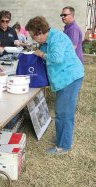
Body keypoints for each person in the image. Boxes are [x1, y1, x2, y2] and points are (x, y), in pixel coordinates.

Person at [25, 16, 84, 155]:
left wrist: (42, 54)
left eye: (33, 36)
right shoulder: (46, 40)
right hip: (64, 77)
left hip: (70, 77)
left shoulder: (56, 37)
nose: (33, 39)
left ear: (40, 32)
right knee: (62, 111)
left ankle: (63, 146)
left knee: (63, 112)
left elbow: (56, 58)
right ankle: (63, 138)